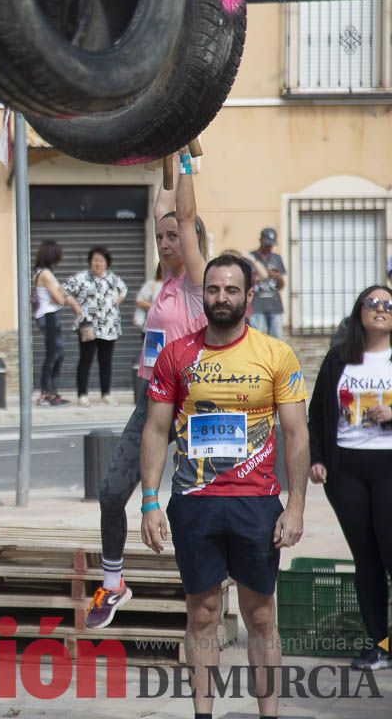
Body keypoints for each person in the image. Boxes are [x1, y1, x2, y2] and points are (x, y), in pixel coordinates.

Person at [141, 253, 308, 719]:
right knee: (202, 614)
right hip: (194, 503)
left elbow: (296, 434)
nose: (221, 298)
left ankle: (268, 713)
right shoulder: (177, 355)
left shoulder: (276, 355)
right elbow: (155, 430)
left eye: (231, 290)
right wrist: (149, 502)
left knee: (260, 615)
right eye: (213, 290)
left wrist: (294, 507)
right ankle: (202, 713)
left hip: (256, 504)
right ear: (204, 295)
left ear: (248, 296)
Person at [89, 153, 209, 629]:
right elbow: (164, 204)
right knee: (109, 491)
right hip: (151, 400)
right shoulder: (160, 286)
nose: (164, 243)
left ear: (193, 239)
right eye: (158, 238)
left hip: (193, 403)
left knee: (194, 508)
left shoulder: (198, 282)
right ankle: (114, 583)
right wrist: (165, 150)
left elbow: (181, 210)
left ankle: (203, 594)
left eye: (173, 237)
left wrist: (184, 159)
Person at [308, 285, 392, 670]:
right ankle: (381, 645)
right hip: (346, 470)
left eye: (388, 304)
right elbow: (318, 415)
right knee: (367, 559)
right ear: (359, 312)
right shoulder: (338, 360)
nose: (380, 309)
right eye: (372, 303)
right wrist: (318, 458)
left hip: (388, 464)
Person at [63, 246, 129, 406]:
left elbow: (124, 290)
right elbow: (64, 290)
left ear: (106, 263)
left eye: (101, 261)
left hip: (109, 326)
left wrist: (115, 303)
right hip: (88, 325)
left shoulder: (113, 278)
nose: (98, 264)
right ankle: (82, 394)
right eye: (95, 260)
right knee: (86, 359)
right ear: (90, 262)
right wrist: (75, 306)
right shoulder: (82, 278)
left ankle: (105, 393)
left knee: (106, 361)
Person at [33, 239, 81, 407]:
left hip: (50, 315)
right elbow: (61, 298)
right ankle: (46, 394)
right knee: (53, 355)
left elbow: (61, 294)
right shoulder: (45, 274)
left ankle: (51, 392)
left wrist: (61, 296)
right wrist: (61, 297)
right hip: (48, 317)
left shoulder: (45, 272)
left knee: (58, 354)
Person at [250, 227, 286, 339]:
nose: (269, 247)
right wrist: (262, 275)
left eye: (271, 245)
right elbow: (245, 280)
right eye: (267, 244)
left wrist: (278, 277)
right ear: (260, 240)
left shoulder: (277, 258)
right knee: (258, 340)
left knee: (277, 341)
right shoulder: (251, 258)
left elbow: (281, 286)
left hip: (274, 306)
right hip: (256, 306)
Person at [133, 263, 164, 339]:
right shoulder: (153, 284)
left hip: (173, 331)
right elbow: (139, 301)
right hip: (153, 330)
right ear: (160, 270)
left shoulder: (180, 285)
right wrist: (158, 307)